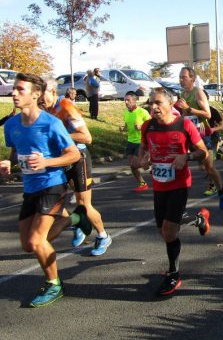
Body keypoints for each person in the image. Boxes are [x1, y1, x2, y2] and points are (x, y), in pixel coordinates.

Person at [2, 72, 91, 307]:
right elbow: (15, 150)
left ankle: (54, 284)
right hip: (30, 188)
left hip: (53, 184)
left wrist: (47, 162)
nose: (14, 93)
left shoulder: (51, 123)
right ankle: (75, 217)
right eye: (14, 88)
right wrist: (9, 163)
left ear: (36, 94)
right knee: (27, 244)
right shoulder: (11, 124)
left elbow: (73, 154)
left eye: (20, 89)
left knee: (37, 240)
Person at [131, 89, 211, 296]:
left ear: (171, 103)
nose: (153, 107)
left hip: (179, 183)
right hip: (159, 184)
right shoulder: (148, 126)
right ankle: (198, 219)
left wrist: (187, 156)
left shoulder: (184, 124)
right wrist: (144, 158)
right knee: (164, 231)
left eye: (158, 103)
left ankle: (174, 274)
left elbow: (203, 151)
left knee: (168, 231)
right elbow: (142, 148)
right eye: (150, 104)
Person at [41, 79, 111, 255]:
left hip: (78, 159)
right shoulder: (43, 110)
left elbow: (87, 137)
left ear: (53, 93)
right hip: (60, 159)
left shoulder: (66, 107)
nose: (39, 98)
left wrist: (59, 135)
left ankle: (103, 235)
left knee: (84, 204)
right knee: (53, 202)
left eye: (42, 94)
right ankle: (75, 222)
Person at [175, 67, 223, 208]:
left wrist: (189, 108)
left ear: (192, 78)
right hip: (188, 135)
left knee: (209, 168)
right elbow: (185, 115)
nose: (181, 80)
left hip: (202, 136)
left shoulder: (198, 93)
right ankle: (178, 200)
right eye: (180, 77)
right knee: (183, 163)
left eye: (184, 77)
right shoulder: (182, 93)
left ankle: (221, 190)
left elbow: (208, 114)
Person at [121, 91, 152, 192]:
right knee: (132, 165)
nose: (126, 102)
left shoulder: (142, 112)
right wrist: (123, 128)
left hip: (140, 142)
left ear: (134, 101)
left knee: (136, 164)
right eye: (125, 100)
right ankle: (142, 184)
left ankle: (152, 161)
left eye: (128, 100)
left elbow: (152, 126)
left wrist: (142, 127)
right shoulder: (126, 113)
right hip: (130, 142)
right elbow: (126, 126)